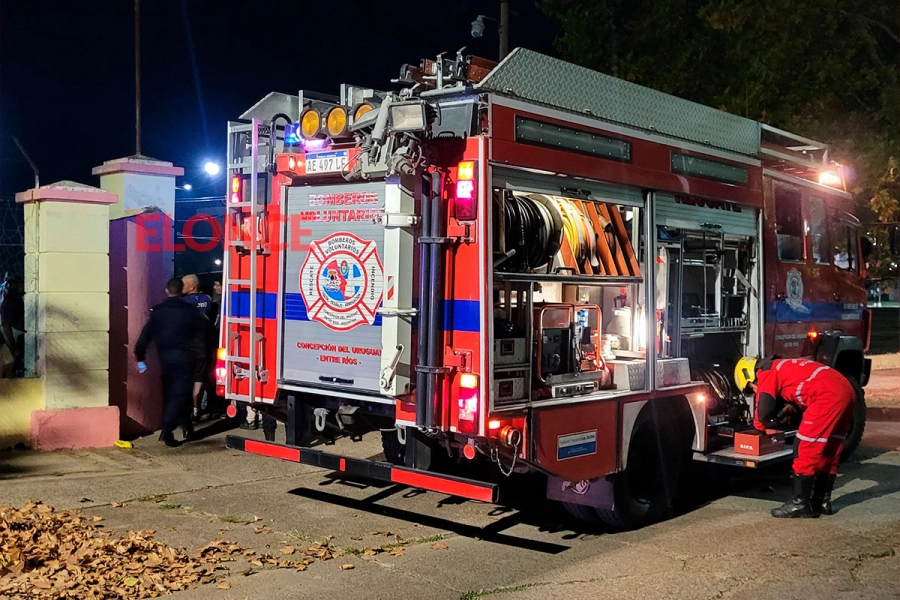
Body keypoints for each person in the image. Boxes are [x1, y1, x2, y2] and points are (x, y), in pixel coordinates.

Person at [735, 356, 856, 518]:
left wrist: (758, 428)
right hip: (846, 391)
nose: (755, 391)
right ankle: (821, 502)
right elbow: (804, 386)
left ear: (749, 377)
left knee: (804, 446)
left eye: (751, 389)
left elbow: (764, 410)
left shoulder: (766, 372)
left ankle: (800, 504)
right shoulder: (784, 366)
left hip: (826, 396)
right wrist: (792, 407)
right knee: (829, 450)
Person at [135, 277, 209, 447]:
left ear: (167, 291)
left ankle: (187, 427)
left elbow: (144, 338)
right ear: (182, 289)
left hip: (165, 359)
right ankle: (167, 431)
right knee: (180, 394)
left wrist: (140, 359)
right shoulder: (189, 311)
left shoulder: (158, 311)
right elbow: (204, 330)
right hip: (185, 358)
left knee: (174, 394)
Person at [181, 274, 213, 422]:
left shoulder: (182, 302)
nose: (182, 287)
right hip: (202, 346)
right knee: (200, 379)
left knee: (187, 380)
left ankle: (188, 410)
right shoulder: (207, 299)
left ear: (192, 286)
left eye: (184, 284)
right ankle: (197, 409)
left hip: (188, 348)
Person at [0, 275, 25, 377]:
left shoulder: (18, 300)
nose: (21, 288)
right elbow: (6, 325)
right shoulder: (9, 303)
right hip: (13, 332)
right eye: (19, 286)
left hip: (19, 332)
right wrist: (11, 344)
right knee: (10, 358)